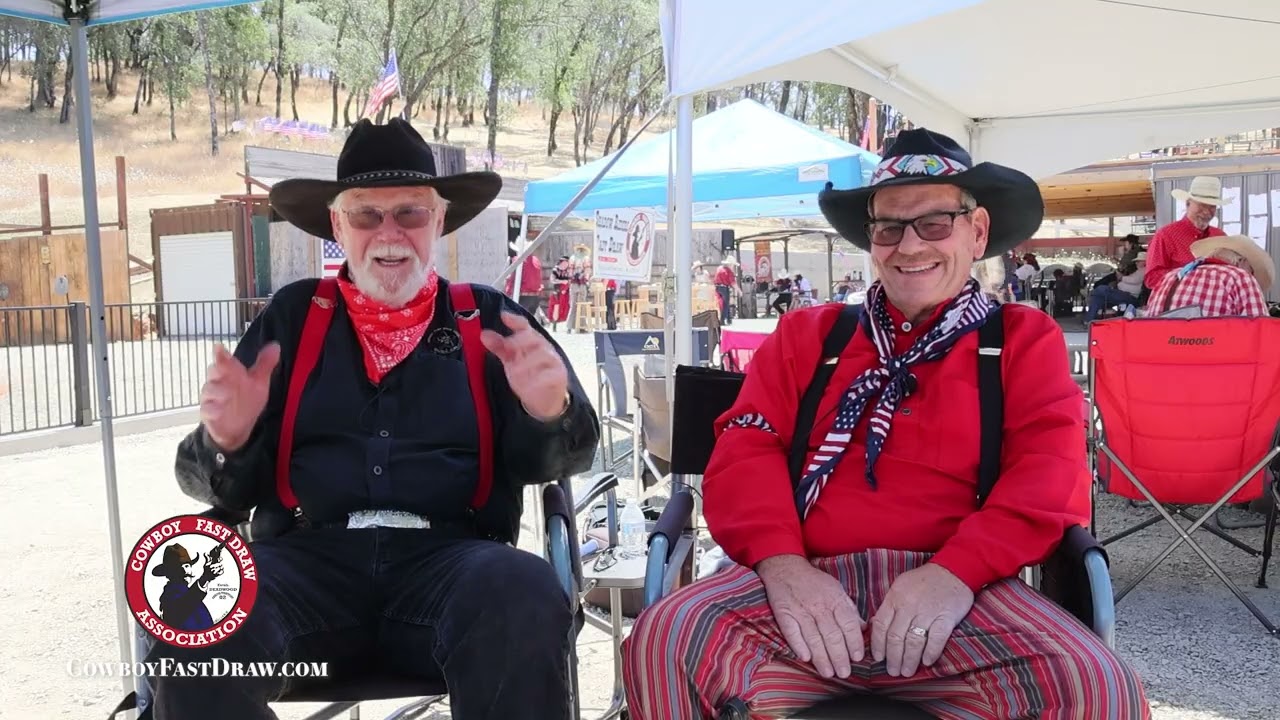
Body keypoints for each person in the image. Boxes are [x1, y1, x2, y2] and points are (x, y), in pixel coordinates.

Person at [621, 128, 1150, 719]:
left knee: (1096, 687)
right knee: (664, 642)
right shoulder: (809, 335)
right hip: (801, 588)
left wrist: (955, 574)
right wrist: (783, 564)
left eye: (934, 223)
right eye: (889, 227)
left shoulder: (1022, 341)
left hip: (963, 599)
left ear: (977, 233)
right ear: (870, 240)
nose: (908, 246)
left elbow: (1049, 476)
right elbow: (747, 448)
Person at [147, 118, 599, 720]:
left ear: (439, 222)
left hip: (455, 566)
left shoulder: (488, 319)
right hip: (306, 565)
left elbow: (572, 453)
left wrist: (550, 412)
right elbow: (206, 479)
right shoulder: (292, 318)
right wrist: (225, 441)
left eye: (410, 213)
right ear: (338, 225)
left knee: (523, 591)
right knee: (193, 621)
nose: (389, 233)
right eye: (366, 215)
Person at [1146, 234, 1273, 318]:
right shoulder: (1240, 277)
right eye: (1252, 270)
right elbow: (1260, 331)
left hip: (1162, 354)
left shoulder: (1170, 277)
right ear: (1241, 261)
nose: (1252, 275)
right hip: (1212, 356)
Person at [1144, 176, 1227, 291]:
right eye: (1202, 204)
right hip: (1181, 306)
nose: (1207, 211)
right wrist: (1191, 276)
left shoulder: (1220, 236)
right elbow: (1152, 279)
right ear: (1188, 203)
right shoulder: (1166, 235)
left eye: (1212, 206)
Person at [1086, 252, 1146, 322]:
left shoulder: (1144, 271)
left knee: (1101, 288)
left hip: (1130, 296)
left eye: (1138, 261)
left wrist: (1121, 278)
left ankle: (1089, 319)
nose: (1136, 263)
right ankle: (1089, 320)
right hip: (1124, 294)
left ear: (1144, 262)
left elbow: (1135, 280)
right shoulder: (1138, 271)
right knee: (1098, 298)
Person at [505, 241, 544, 319]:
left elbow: (512, 278)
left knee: (518, 322)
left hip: (522, 297)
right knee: (529, 322)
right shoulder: (536, 260)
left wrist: (507, 292)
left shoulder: (517, 260)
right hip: (535, 297)